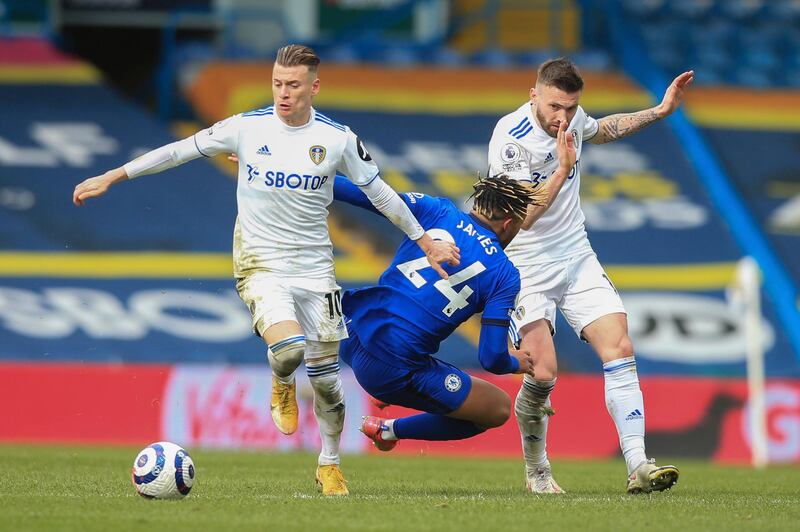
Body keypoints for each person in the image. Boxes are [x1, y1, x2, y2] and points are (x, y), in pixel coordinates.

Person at [72, 44, 459, 496]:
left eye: (293, 85)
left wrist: (424, 241)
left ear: (314, 87)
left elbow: (383, 195)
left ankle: (329, 465)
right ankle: (280, 383)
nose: (283, 93)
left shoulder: (338, 140)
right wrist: (114, 176)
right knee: (290, 349)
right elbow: (179, 151)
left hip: (316, 270)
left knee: (330, 384)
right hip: (261, 262)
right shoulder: (247, 127)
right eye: (277, 83)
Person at [488, 57, 693, 494]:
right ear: (534, 95)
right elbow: (521, 219)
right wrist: (562, 167)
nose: (563, 117)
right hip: (522, 261)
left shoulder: (574, 119)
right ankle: (537, 469)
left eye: (571, 107)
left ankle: (638, 463)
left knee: (618, 344)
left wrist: (659, 111)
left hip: (575, 252)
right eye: (554, 107)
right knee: (542, 374)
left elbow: (601, 129)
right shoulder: (511, 138)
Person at [335, 122, 576, 450]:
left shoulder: (436, 209)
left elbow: (358, 193)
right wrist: (515, 362)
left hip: (349, 330)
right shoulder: (504, 274)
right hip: (391, 367)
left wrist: (296, 178)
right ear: (509, 224)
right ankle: (389, 430)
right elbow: (491, 358)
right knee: (496, 409)